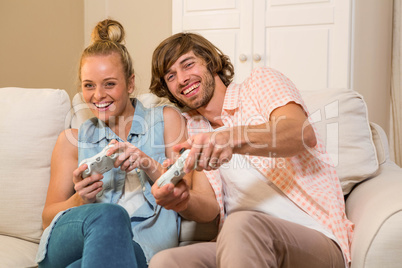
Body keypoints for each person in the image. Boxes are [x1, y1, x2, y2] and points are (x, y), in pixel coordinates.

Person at [148, 32, 354, 268]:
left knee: (241, 224)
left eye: (188, 64)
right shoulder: (194, 127)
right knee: (166, 261)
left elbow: (301, 133)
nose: (182, 79)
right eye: (171, 76)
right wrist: (183, 200)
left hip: (314, 237)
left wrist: (231, 137)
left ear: (211, 61)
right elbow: (209, 206)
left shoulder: (260, 83)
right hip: (237, 243)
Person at [36, 21, 219, 268]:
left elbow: (186, 193)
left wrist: (147, 164)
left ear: (131, 83)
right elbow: (48, 218)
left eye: (109, 83)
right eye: (89, 85)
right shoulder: (72, 140)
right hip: (68, 240)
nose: (98, 95)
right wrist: (80, 199)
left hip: (139, 250)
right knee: (110, 215)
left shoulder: (166, 120)